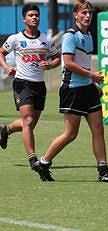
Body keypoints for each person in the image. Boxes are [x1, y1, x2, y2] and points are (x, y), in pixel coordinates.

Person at [36, 0, 108, 183]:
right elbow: (68, 63)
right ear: (75, 15)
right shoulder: (70, 36)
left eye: (89, 13)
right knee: (70, 134)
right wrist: (92, 76)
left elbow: (83, 62)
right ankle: (43, 162)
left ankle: (103, 172)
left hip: (87, 88)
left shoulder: (89, 35)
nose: (87, 16)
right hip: (72, 90)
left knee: (98, 129)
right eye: (83, 13)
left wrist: (92, 84)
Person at [0, 4, 61, 175]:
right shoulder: (15, 39)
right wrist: (6, 68)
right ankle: (33, 159)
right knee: (27, 121)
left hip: (39, 86)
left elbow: (57, 58)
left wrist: (49, 65)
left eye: (37, 15)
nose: (35, 18)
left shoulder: (46, 39)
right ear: (24, 19)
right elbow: (1, 53)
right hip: (22, 84)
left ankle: (6, 129)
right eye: (31, 15)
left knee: (31, 124)